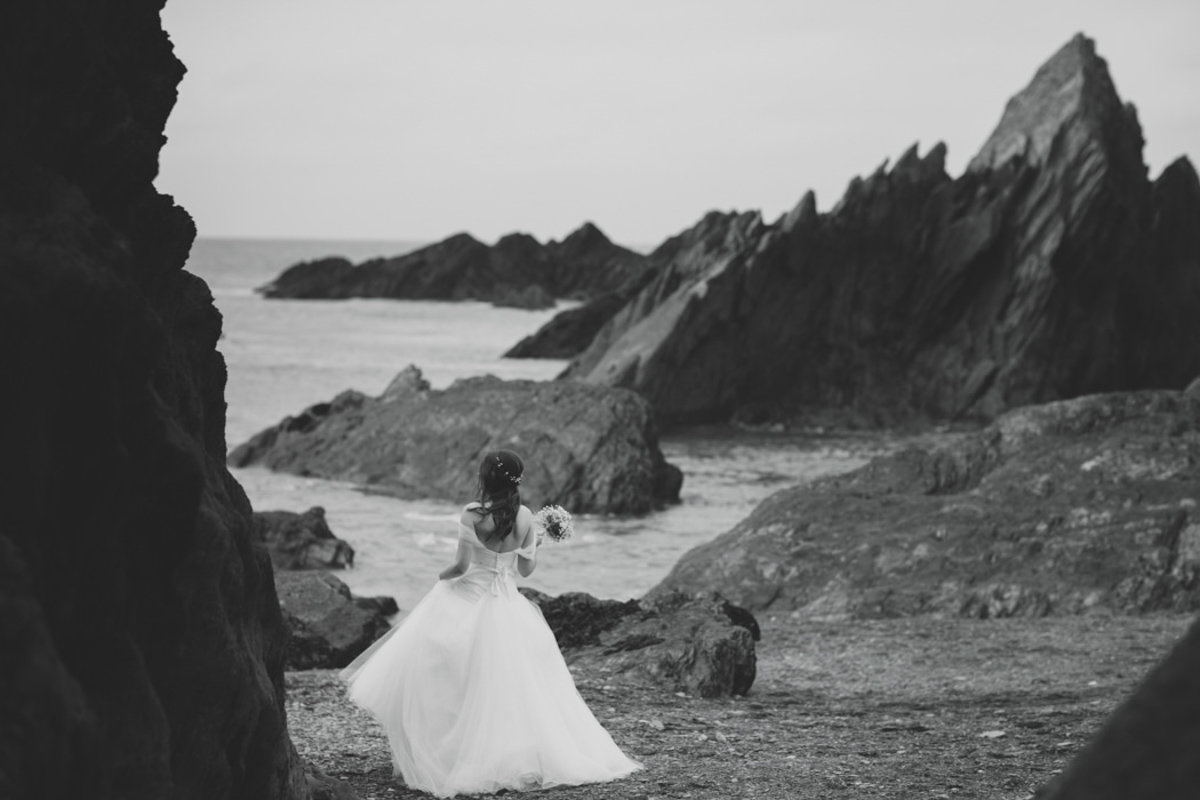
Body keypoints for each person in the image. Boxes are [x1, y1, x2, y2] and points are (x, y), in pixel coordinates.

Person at [339, 450, 642, 798]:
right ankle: (503, 754)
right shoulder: (526, 517)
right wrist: (534, 543)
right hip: (507, 605)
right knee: (508, 685)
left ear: (485, 479)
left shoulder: (472, 514)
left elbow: (460, 567)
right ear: (517, 480)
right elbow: (525, 570)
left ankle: (447, 754)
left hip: (467, 597)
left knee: (443, 671)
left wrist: (439, 578)